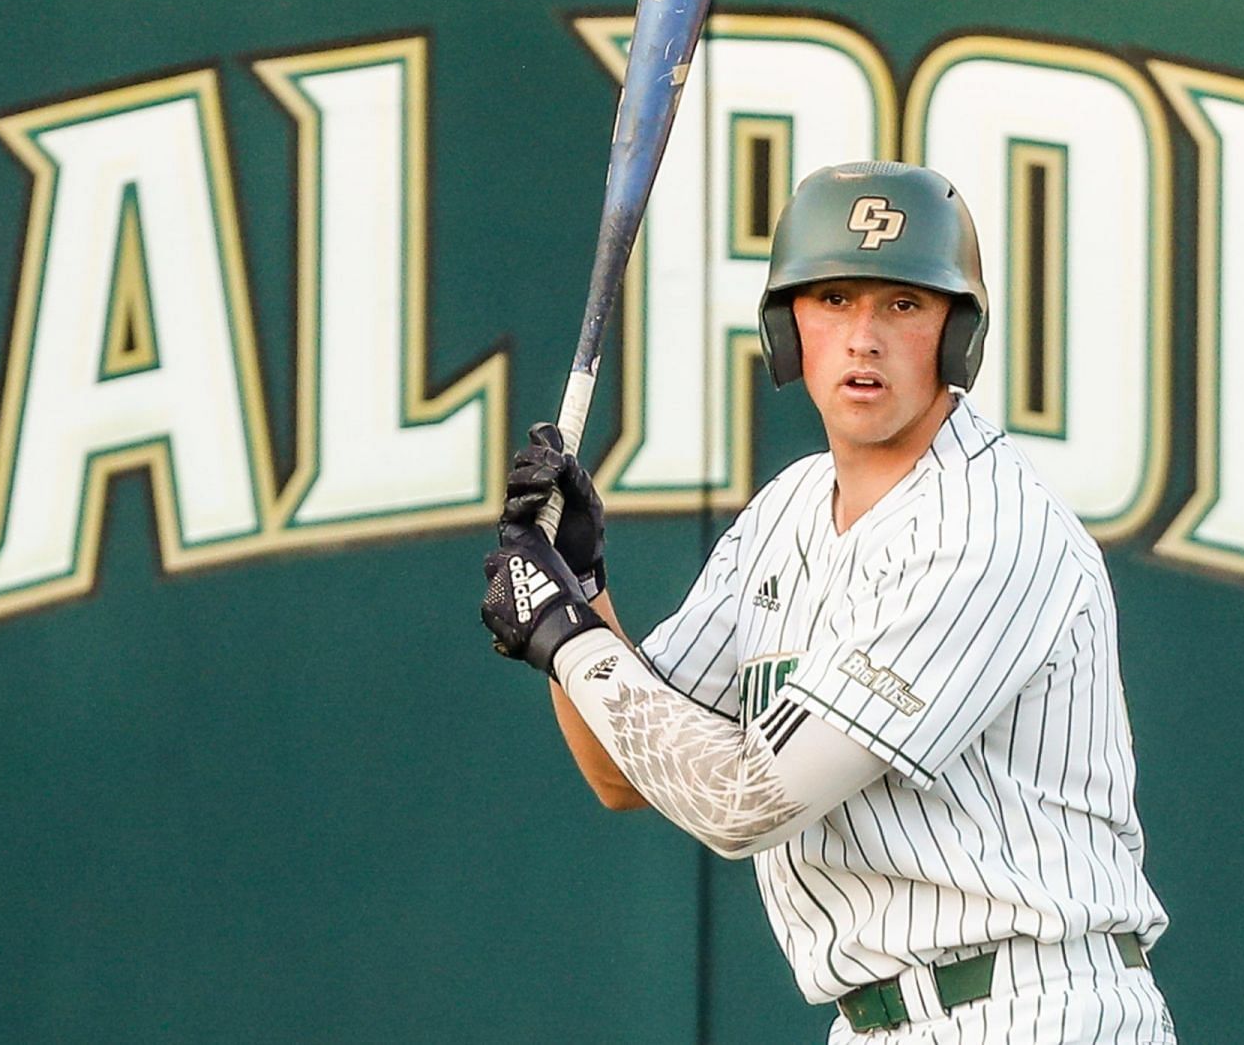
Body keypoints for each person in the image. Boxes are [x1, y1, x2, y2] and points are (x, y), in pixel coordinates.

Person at [481, 161, 1177, 1043]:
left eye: (904, 304)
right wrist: (587, 593)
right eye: (835, 298)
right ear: (788, 327)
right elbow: (627, 769)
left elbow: (744, 801)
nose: (864, 337)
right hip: (877, 1020)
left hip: (1035, 1006)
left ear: (957, 332)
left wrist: (565, 633)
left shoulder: (985, 526)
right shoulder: (790, 511)